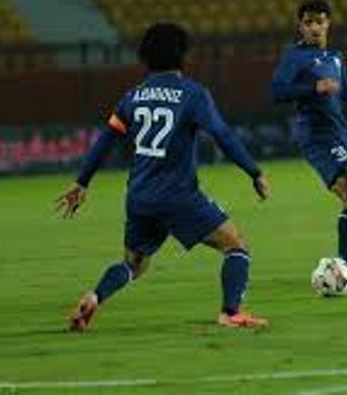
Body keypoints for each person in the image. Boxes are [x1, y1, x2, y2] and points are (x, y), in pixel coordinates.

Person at [56, 23, 270, 330]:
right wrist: (254, 172)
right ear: (182, 54)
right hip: (178, 196)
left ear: (145, 57)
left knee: (133, 265)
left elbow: (106, 139)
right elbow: (221, 134)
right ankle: (231, 312)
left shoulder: (133, 96)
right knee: (236, 246)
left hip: (140, 197)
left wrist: (82, 182)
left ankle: (95, 296)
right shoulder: (193, 94)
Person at [270, 0, 347, 268]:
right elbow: (276, 91)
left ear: (328, 23)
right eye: (308, 22)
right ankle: (344, 263)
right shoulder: (294, 56)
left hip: (342, 133)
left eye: (319, 22)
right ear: (301, 26)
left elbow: (346, 94)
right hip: (317, 135)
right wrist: (313, 88)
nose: (314, 27)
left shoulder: (335, 57)